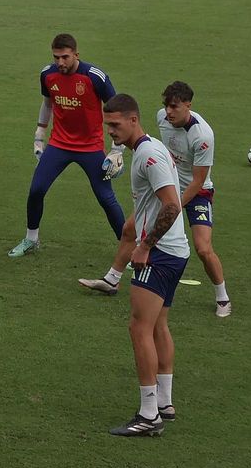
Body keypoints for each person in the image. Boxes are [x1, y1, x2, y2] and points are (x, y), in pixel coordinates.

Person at [79, 81, 231, 317]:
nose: (168, 112)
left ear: (188, 106)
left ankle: (222, 296)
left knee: (203, 248)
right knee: (130, 228)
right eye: (166, 106)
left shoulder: (203, 136)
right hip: (166, 183)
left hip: (196, 192)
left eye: (174, 107)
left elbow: (199, 181)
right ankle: (112, 280)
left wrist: (175, 205)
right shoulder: (162, 118)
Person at [100, 94, 189, 437]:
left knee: (139, 328)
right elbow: (157, 201)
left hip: (160, 253)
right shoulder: (150, 148)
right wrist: (134, 225)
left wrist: (146, 245)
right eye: (108, 124)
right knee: (157, 326)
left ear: (134, 120)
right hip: (175, 251)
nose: (111, 131)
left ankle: (149, 413)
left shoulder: (148, 156)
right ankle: (164, 403)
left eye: (116, 124)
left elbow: (171, 205)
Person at [9, 34, 126, 258]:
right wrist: (39, 134)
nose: (60, 63)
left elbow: (118, 110)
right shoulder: (47, 74)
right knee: (36, 190)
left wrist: (117, 150)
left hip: (90, 147)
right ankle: (31, 239)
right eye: (56, 58)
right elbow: (47, 103)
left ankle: (128, 248)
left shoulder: (95, 77)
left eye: (65, 57)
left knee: (105, 198)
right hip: (59, 144)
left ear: (76, 55)